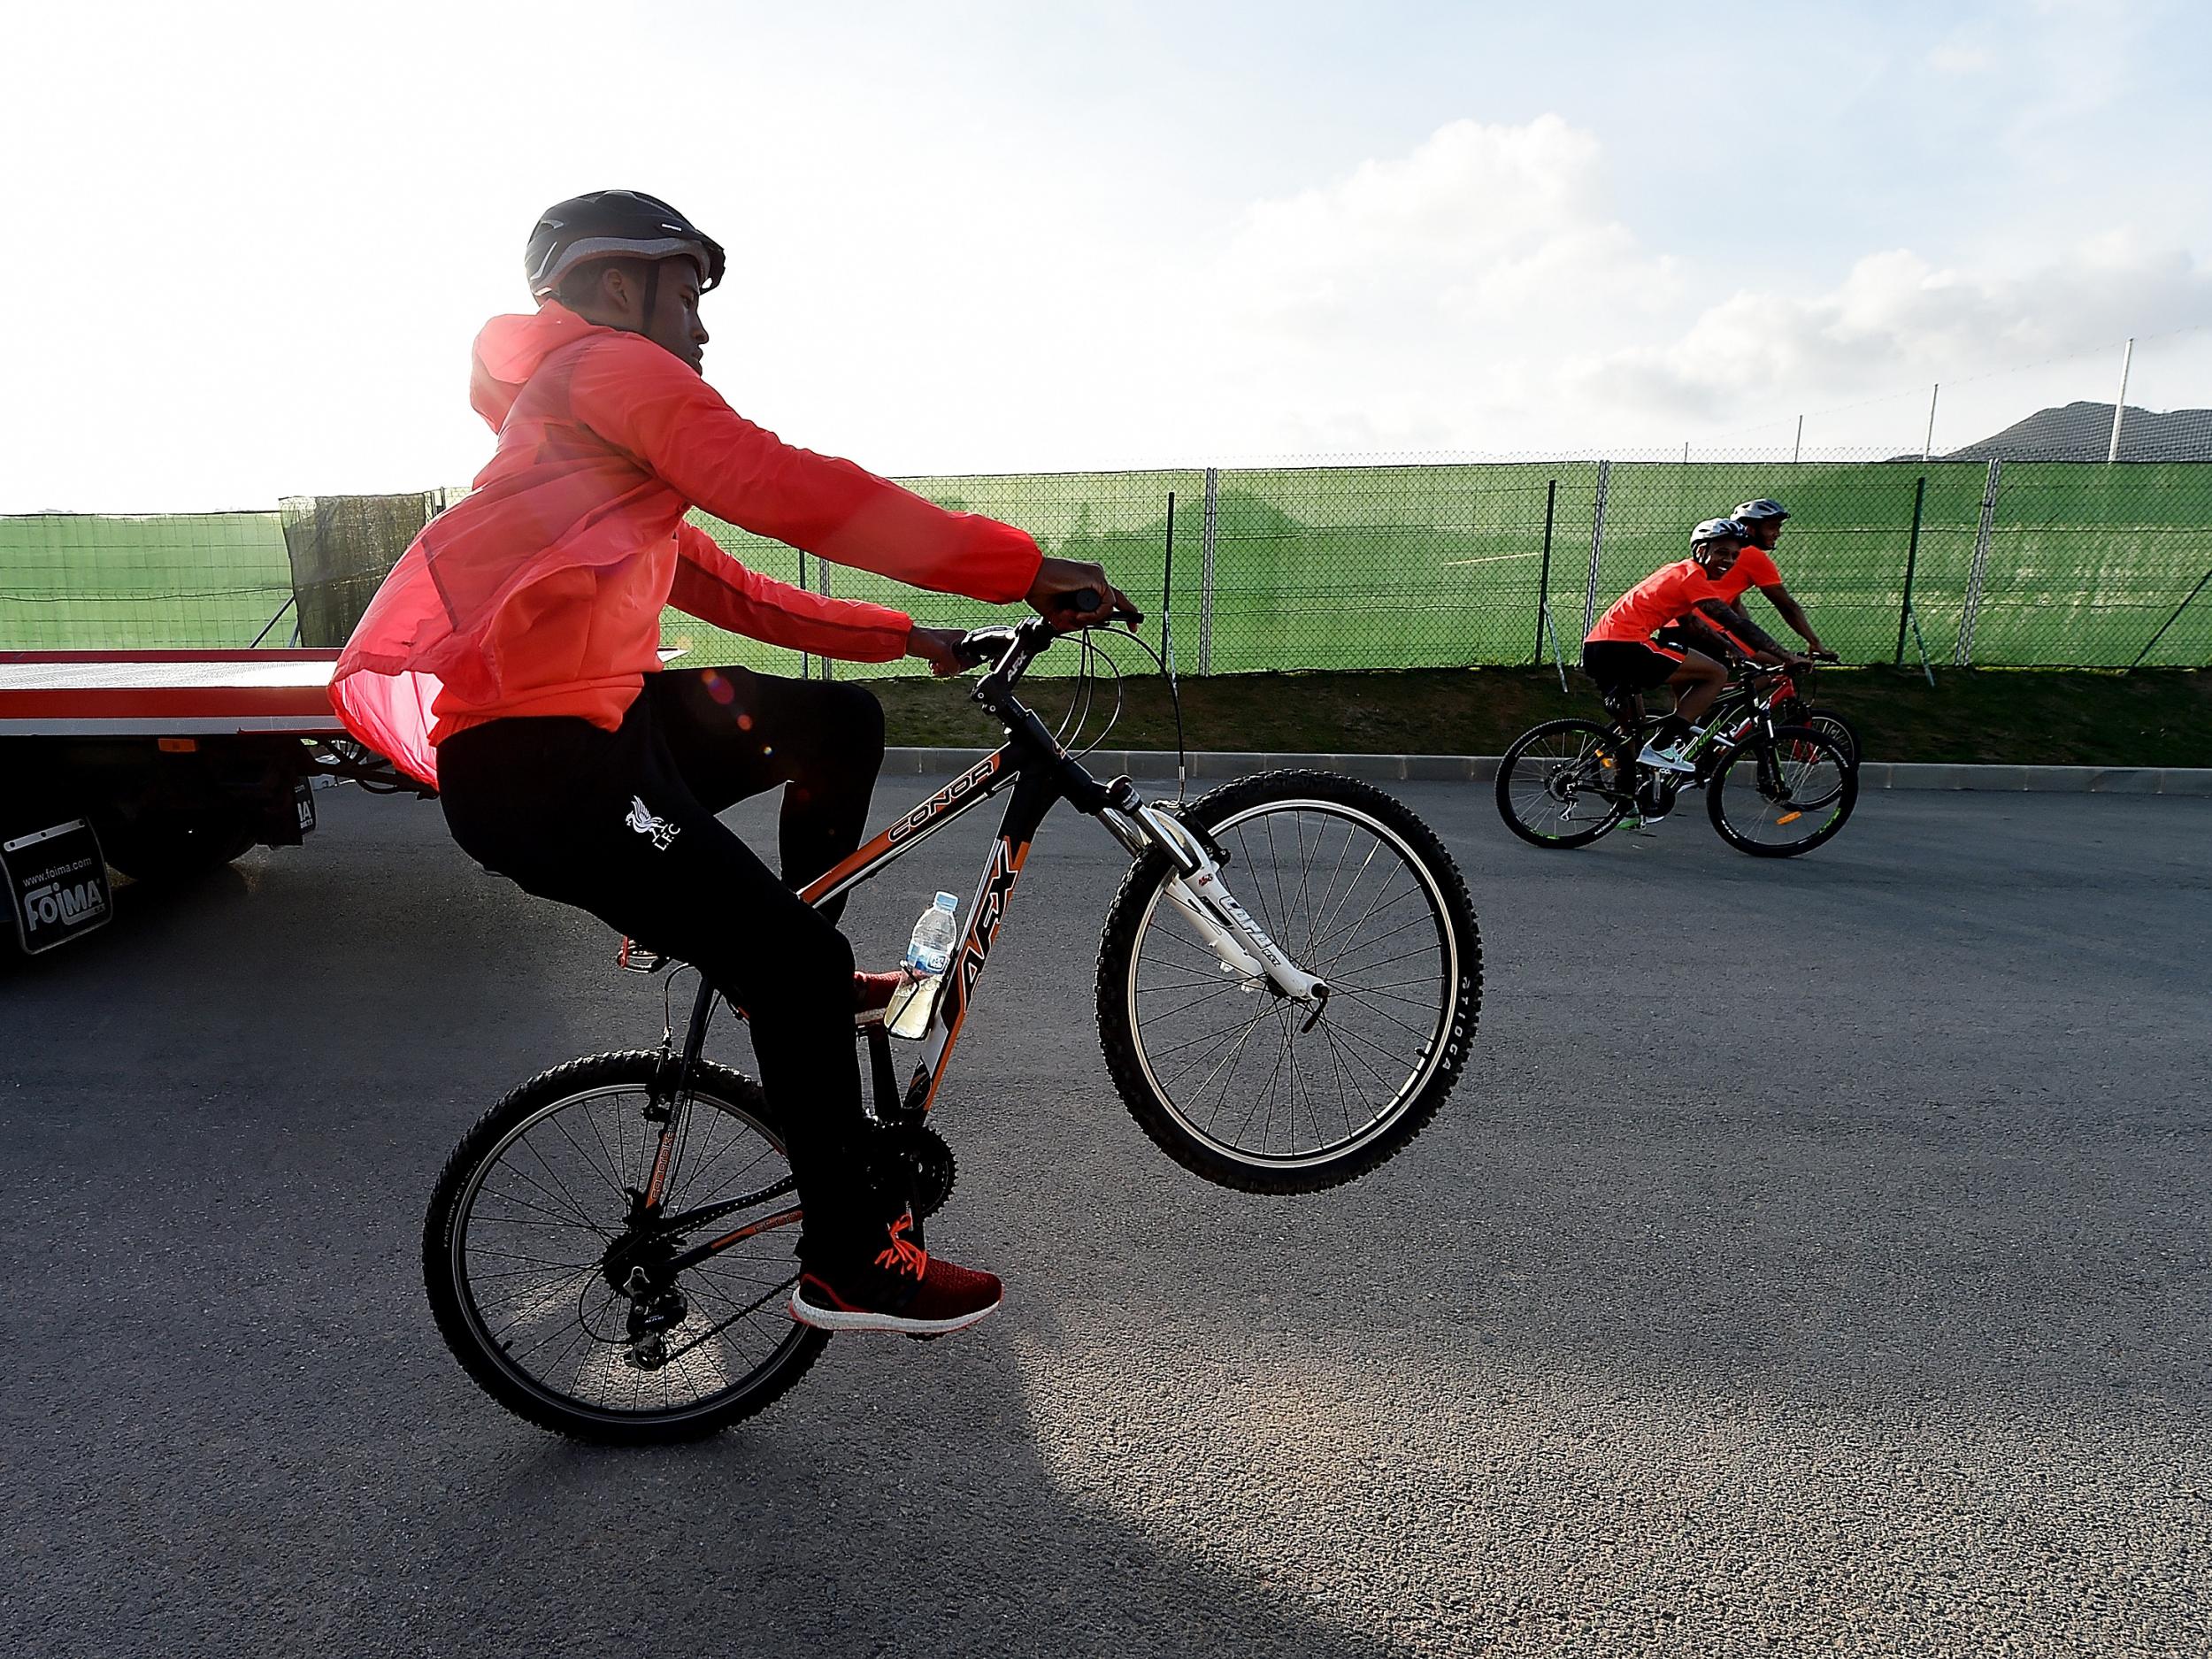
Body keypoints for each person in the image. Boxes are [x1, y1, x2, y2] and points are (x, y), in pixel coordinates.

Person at [333, 190, 1138, 1339]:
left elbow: (746, 592)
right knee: (799, 966)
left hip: (596, 735)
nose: (703, 330)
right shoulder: (603, 373)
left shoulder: (586, 441)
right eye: (688, 292)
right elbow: (796, 488)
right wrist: (1020, 563)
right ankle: (850, 1251)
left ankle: (781, 951)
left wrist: (914, 638)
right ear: (617, 286)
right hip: (544, 769)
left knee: (839, 724)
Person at [1582, 518, 1808, 778]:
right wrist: (1786, 656)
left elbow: (1692, 623)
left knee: (1633, 729)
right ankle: (1663, 746)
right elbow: (1735, 622)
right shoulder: (1693, 576)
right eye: (1722, 552)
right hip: (1626, 646)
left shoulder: (1675, 571)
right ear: (1701, 550)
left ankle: (1626, 805)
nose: (1729, 561)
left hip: (1597, 648)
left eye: (1735, 556)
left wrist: (1729, 649)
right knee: (1715, 674)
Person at [1705, 498, 1832, 659]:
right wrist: (1815, 642)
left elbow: (1735, 605)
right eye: (1772, 527)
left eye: (1779, 527)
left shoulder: (1729, 553)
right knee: (1781, 663)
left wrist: (1753, 637)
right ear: (1750, 529)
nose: (1777, 533)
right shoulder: (1753, 556)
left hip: (1686, 623)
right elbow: (1787, 606)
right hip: (1709, 626)